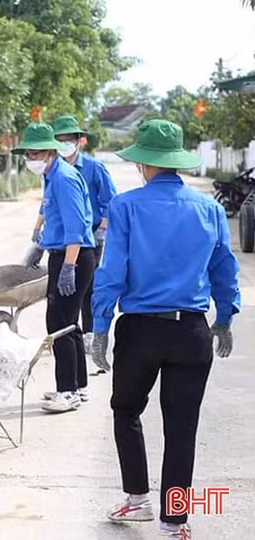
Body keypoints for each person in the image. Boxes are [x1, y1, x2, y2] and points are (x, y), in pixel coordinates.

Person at [92, 119, 240, 539]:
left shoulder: (125, 207)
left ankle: (137, 499)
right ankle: (174, 522)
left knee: (126, 411)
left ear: (144, 164)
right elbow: (224, 270)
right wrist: (225, 318)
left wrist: (100, 325)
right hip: (192, 332)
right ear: (177, 163)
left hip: (140, 332)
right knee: (182, 427)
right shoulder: (209, 209)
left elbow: (113, 271)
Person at [17, 123, 96, 413]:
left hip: (74, 256)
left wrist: (68, 267)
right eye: (27, 153)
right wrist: (40, 243)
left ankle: (68, 391)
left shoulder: (64, 178)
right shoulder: (52, 177)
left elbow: (75, 228)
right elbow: (53, 214)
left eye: (34, 153)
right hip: (63, 253)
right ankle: (78, 386)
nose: (30, 158)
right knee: (68, 323)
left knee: (58, 326)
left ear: (50, 152)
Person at [51, 116, 117, 361]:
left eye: (69, 140)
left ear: (80, 141)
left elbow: (110, 200)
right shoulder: (55, 169)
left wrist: (103, 228)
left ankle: (89, 331)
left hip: (90, 236)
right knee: (70, 291)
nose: (65, 144)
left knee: (88, 285)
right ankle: (75, 333)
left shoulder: (93, 168)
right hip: (67, 239)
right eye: (60, 140)